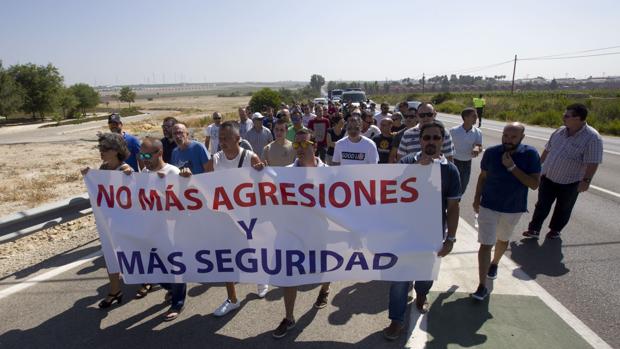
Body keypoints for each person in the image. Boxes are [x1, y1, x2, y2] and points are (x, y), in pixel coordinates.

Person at [383, 121, 461, 340]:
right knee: (399, 280)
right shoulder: (407, 162)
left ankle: (422, 294)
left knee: (425, 275)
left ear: (442, 141)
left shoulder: (450, 170)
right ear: (420, 140)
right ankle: (396, 320)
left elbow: (453, 207)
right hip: (403, 234)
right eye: (427, 138)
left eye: (436, 138)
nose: (431, 142)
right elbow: (391, 196)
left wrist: (451, 239)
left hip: (432, 234)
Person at [471, 122, 541, 301]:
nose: (508, 140)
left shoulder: (530, 154)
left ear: (522, 137)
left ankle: (495, 263)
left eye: (513, 137)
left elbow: (534, 184)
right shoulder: (492, 152)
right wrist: (477, 198)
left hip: (513, 208)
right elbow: (483, 176)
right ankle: (482, 285)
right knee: (485, 244)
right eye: (505, 136)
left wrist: (512, 168)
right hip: (489, 205)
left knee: (502, 239)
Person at [273, 128, 331, 339]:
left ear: (314, 145)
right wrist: (258, 172)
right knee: (290, 275)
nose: (299, 148)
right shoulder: (285, 172)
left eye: (304, 144)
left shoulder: (328, 172)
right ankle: (289, 318)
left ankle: (325, 288)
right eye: (296, 144)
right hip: (292, 231)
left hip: (319, 230)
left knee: (325, 267)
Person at [206, 121, 269, 317]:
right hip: (225, 217)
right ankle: (232, 298)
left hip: (248, 216)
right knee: (227, 256)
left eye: (226, 138)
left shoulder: (250, 157)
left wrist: (261, 172)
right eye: (220, 138)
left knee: (253, 249)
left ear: (237, 139)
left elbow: (263, 186)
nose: (222, 142)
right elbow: (202, 182)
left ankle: (261, 279)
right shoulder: (215, 159)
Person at [523, 103, 603, 240]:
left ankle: (555, 230)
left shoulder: (592, 137)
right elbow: (547, 150)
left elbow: (593, 162)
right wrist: (537, 168)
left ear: (579, 118)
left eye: (567, 116)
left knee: (564, 208)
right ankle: (534, 229)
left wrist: (586, 181)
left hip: (570, 181)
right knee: (542, 205)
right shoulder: (560, 131)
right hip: (548, 177)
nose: (563, 117)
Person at [80, 133, 132, 309]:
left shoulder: (125, 170)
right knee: (111, 256)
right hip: (108, 223)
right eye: (100, 148)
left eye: (105, 148)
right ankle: (115, 290)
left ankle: (145, 281)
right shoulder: (102, 169)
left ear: (116, 150)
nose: (101, 151)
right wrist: (89, 175)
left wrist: (130, 177)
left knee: (132, 255)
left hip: (127, 223)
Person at [138, 137, 185, 321]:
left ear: (159, 153)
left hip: (171, 229)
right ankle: (171, 289)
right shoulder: (143, 172)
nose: (144, 159)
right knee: (154, 267)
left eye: (148, 155)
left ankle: (178, 302)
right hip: (151, 229)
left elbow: (183, 201)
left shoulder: (173, 172)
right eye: (141, 155)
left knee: (175, 266)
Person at [450, 108, 483, 194]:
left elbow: (479, 145)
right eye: (474, 116)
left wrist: (477, 148)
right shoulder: (454, 130)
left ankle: (456, 201)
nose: (476, 118)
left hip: (467, 163)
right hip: (454, 161)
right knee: (452, 185)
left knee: (463, 186)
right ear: (466, 117)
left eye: (476, 116)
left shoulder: (478, 132)